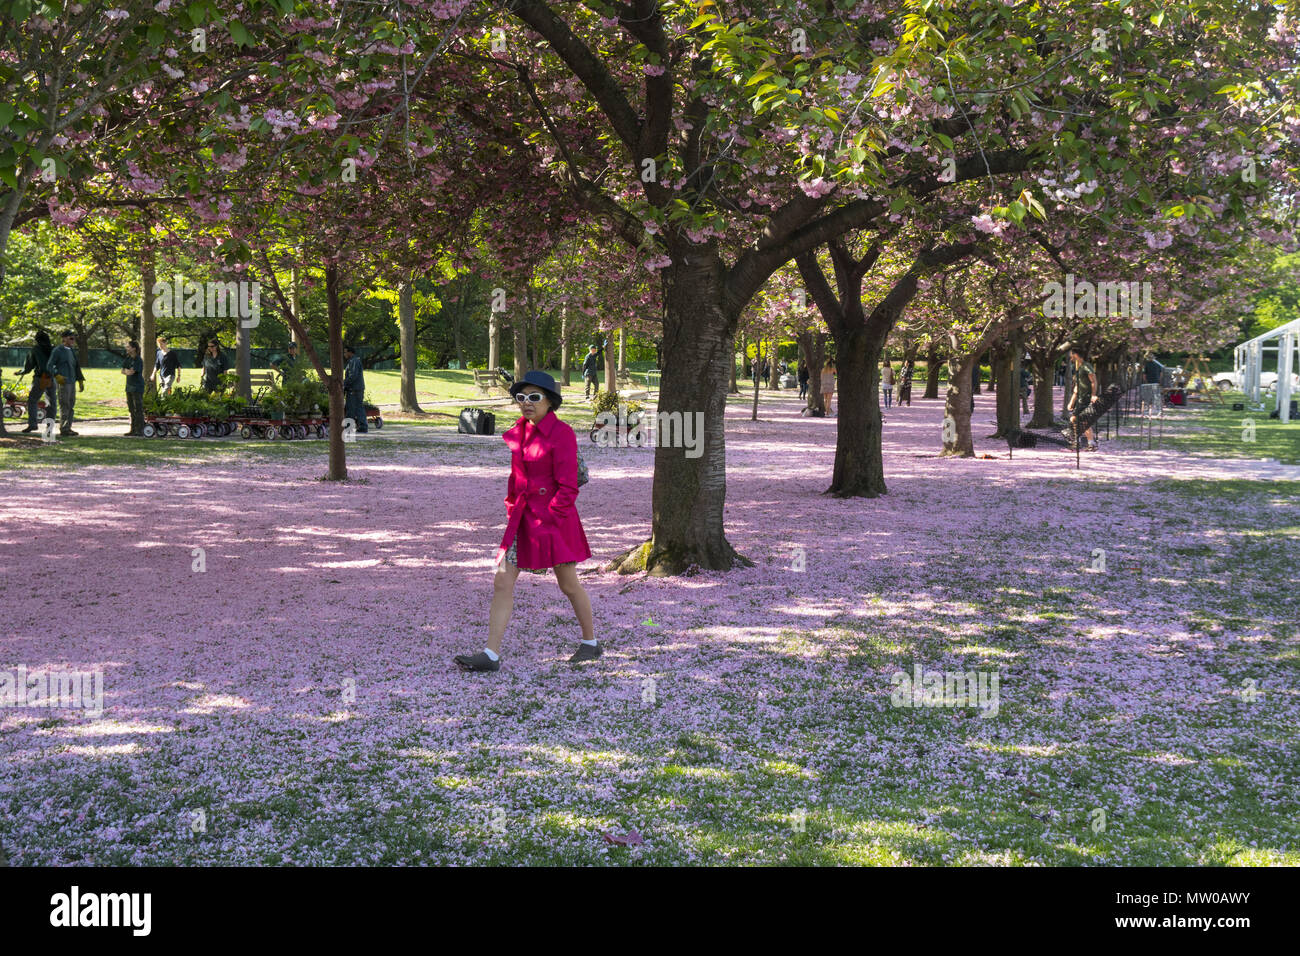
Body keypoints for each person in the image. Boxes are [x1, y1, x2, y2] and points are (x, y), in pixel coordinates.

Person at [455, 371, 596, 672]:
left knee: (569, 584)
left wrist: (549, 518)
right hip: (521, 518)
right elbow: (516, 477)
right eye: (521, 397)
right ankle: (490, 654)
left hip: (554, 521)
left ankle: (590, 643)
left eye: (534, 397)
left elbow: (569, 487)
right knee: (502, 581)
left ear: (550, 401)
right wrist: (511, 507)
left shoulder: (562, 434)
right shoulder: (519, 431)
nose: (526, 403)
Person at [46, 331, 84, 437]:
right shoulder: (58, 350)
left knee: (71, 405)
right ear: (64, 339)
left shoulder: (71, 351)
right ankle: (64, 429)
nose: (73, 341)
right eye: (71, 338)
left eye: (74, 339)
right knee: (65, 405)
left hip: (72, 382)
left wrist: (80, 380)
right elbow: (49, 365)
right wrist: (57, 375)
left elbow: (76, 366)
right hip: (63, 382)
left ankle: (68, 427)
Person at [19, 330, 55, 433]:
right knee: (51, 403)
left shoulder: (35, 350)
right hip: (51, 378)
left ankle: (33, 424)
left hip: (40, 378)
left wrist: (21, 372)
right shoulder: (53, 349)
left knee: (32, 400)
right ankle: (49, 427)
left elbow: (28, 366)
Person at [1067, 346, 1100, 451]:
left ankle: (1082, 442)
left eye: (1071, 355)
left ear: (1075, 355)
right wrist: (1072, 402)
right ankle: (1087, 443)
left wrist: (1093, 395)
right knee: (1078, 420)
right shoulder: (1078, 368)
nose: (1070, 358)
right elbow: (1077, 387)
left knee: (1077, 419)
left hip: (1085, 398)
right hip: (1080, 398)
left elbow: (1093, 381)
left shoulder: (1086, 366)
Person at [122, 341, 145, 436]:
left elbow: (132, 372)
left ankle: (139, 430)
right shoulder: (127, 359)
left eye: (128, 347)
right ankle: (133, 429)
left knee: (138, 409)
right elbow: (123, 371)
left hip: (137, 387)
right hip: (129, 387)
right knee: (131, 409)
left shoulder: (138, 360)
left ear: (134, 348)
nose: (127, 348)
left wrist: (128, 371)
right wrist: (128, 371)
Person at [343, 343, 367, 433]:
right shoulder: (354, 361)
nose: (344, 354)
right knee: (358, 407)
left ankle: (348, 428)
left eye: (345, 352)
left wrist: (344, 383)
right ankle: (363, 426)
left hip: (354, 389)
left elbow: (353, 376)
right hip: (358, 388)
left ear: (350, 352)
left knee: (351, 409)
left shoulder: (353, 361)